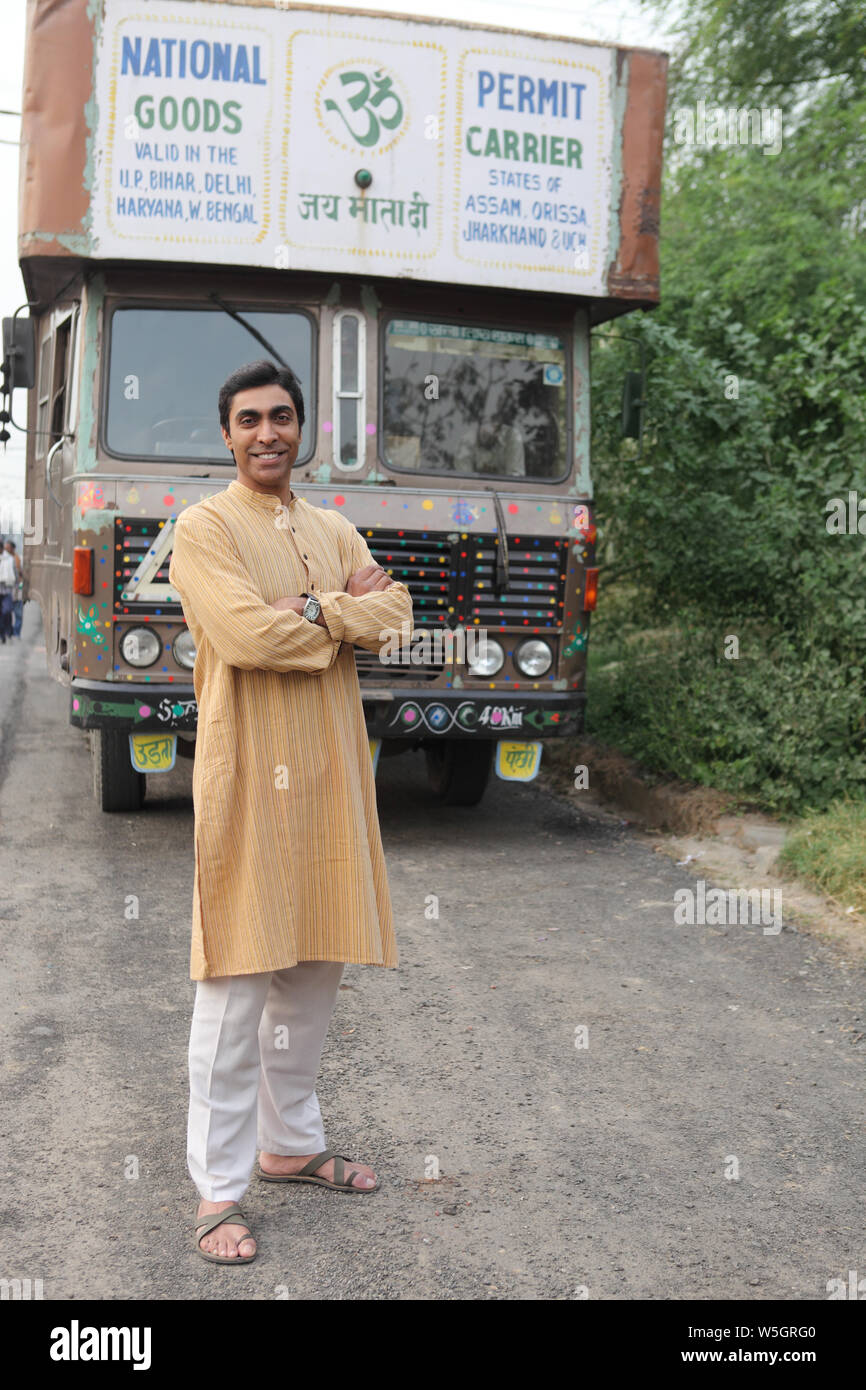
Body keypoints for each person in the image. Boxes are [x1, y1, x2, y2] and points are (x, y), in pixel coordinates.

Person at [168, 359, 413, 1264]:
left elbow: (399, 615)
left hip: (330, 778)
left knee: (311, 974)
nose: (267, 432)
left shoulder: (332, 525)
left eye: (281, 417)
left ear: (301, 428)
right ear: (225, 434)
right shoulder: (204, 528)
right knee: (236, 986)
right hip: (249, 779)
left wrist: (316, 604)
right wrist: (344, 613)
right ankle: (217, 1190)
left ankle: (289, 1144)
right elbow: (244, 634)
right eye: (248, 420)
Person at [4, 540, 24, 637]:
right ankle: (9, 631)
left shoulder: (17, 559)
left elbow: (20, 575)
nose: (5, 550)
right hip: (7, 590)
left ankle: (16, 633)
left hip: (17, 589)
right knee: (7, 612)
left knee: (18, 612)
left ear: (13, 548)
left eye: (7, 548)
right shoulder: (4, 559)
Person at [0, 541, 16, 643]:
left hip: (6, 590)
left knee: (6, 612)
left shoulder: (9, 559)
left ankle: (8, 631)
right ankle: (3, 635)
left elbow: (14, 573)